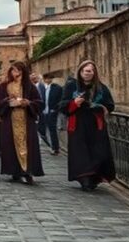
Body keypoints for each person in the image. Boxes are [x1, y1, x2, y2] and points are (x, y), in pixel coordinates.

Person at [59, 61, 116, 191]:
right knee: (81, 154)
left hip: (96, 125)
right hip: (78, 125)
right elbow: (62, 106)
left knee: (98, 152)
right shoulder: (71, 86)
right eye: (85, 70)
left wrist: (99, 106)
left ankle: (94, 178)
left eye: (90, 71)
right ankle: (85, 180)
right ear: (80, 72)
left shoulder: (101, 88)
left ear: (94, 72)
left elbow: (110, 105)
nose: (87, 73)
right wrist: (74, 103)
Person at [0, 62, 44, 184]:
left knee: (27, 145)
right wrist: (7, 101)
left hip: (26, 121)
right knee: (11, 145)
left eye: (19, 71)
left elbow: (39, 103)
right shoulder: (3, 86)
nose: (16, 74)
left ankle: (27, 171)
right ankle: (15, 170)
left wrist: (28, 103)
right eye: (14, 70)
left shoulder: (30, 87)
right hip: (10, 121)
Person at [38, 73, 62, 155]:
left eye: (50, 78)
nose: (49, 80)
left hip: (52, 112)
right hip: (44, 112)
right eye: (47, 78)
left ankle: (55, 148)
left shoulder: (57, 88)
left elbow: (60, 100)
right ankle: (50, 145)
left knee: (52, 130)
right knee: (42, 130)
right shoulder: (43, 88)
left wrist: (55, 109)